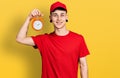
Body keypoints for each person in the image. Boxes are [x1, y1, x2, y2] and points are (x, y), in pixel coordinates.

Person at [16, 1, 90, 78]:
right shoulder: (43, 40)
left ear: (66, 17)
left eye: (62, 15)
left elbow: (83, 65)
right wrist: (29, 18)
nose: (59, 18)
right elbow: (20, 38)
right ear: (50, 18)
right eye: (55, 15)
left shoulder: (78, 39)